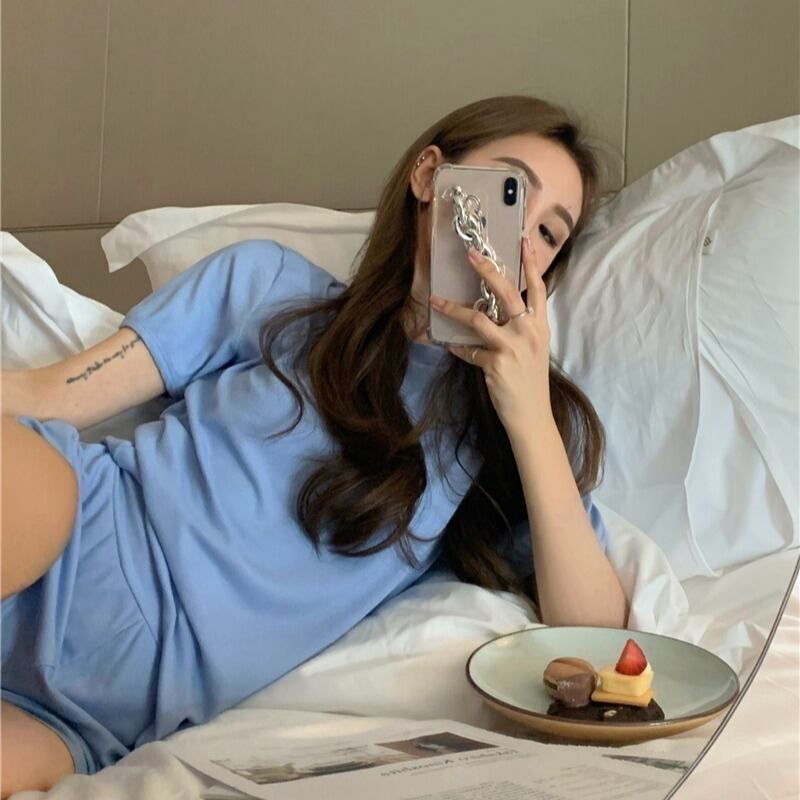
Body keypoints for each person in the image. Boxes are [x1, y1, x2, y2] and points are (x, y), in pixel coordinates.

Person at [0, 94, 627, 795]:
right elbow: (48, 396)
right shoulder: (269, 286)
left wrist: (530, 414)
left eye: (548, 233)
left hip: (91, 716)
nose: (518, 240)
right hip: (68, 534)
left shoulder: (501, 441)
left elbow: (594, 637)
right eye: (507, 194)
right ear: (430, 177)